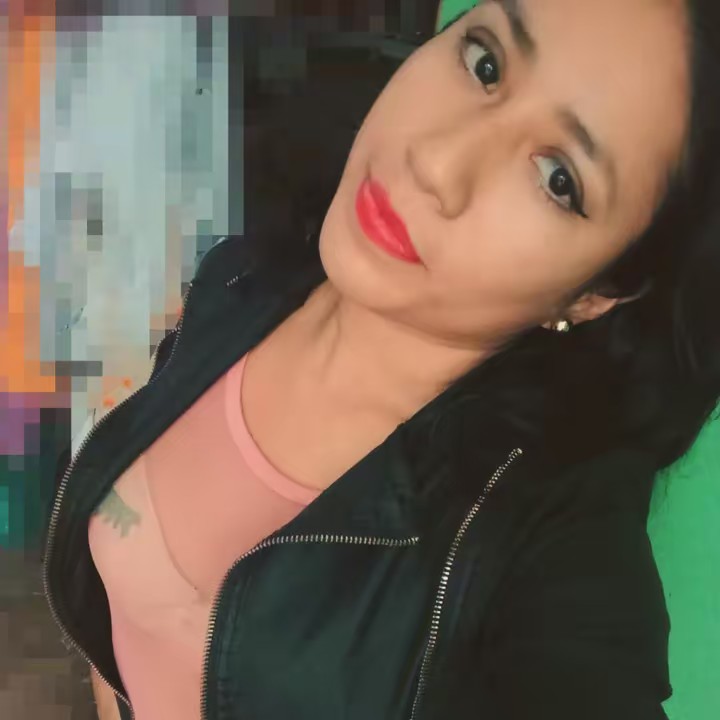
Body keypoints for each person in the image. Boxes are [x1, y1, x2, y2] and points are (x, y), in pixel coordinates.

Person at [43, 1, 720, 719]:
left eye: (559, 179)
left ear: (597, 292)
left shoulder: (540, 547)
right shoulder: (242, 279)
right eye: (485, 62)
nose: (437, 163)